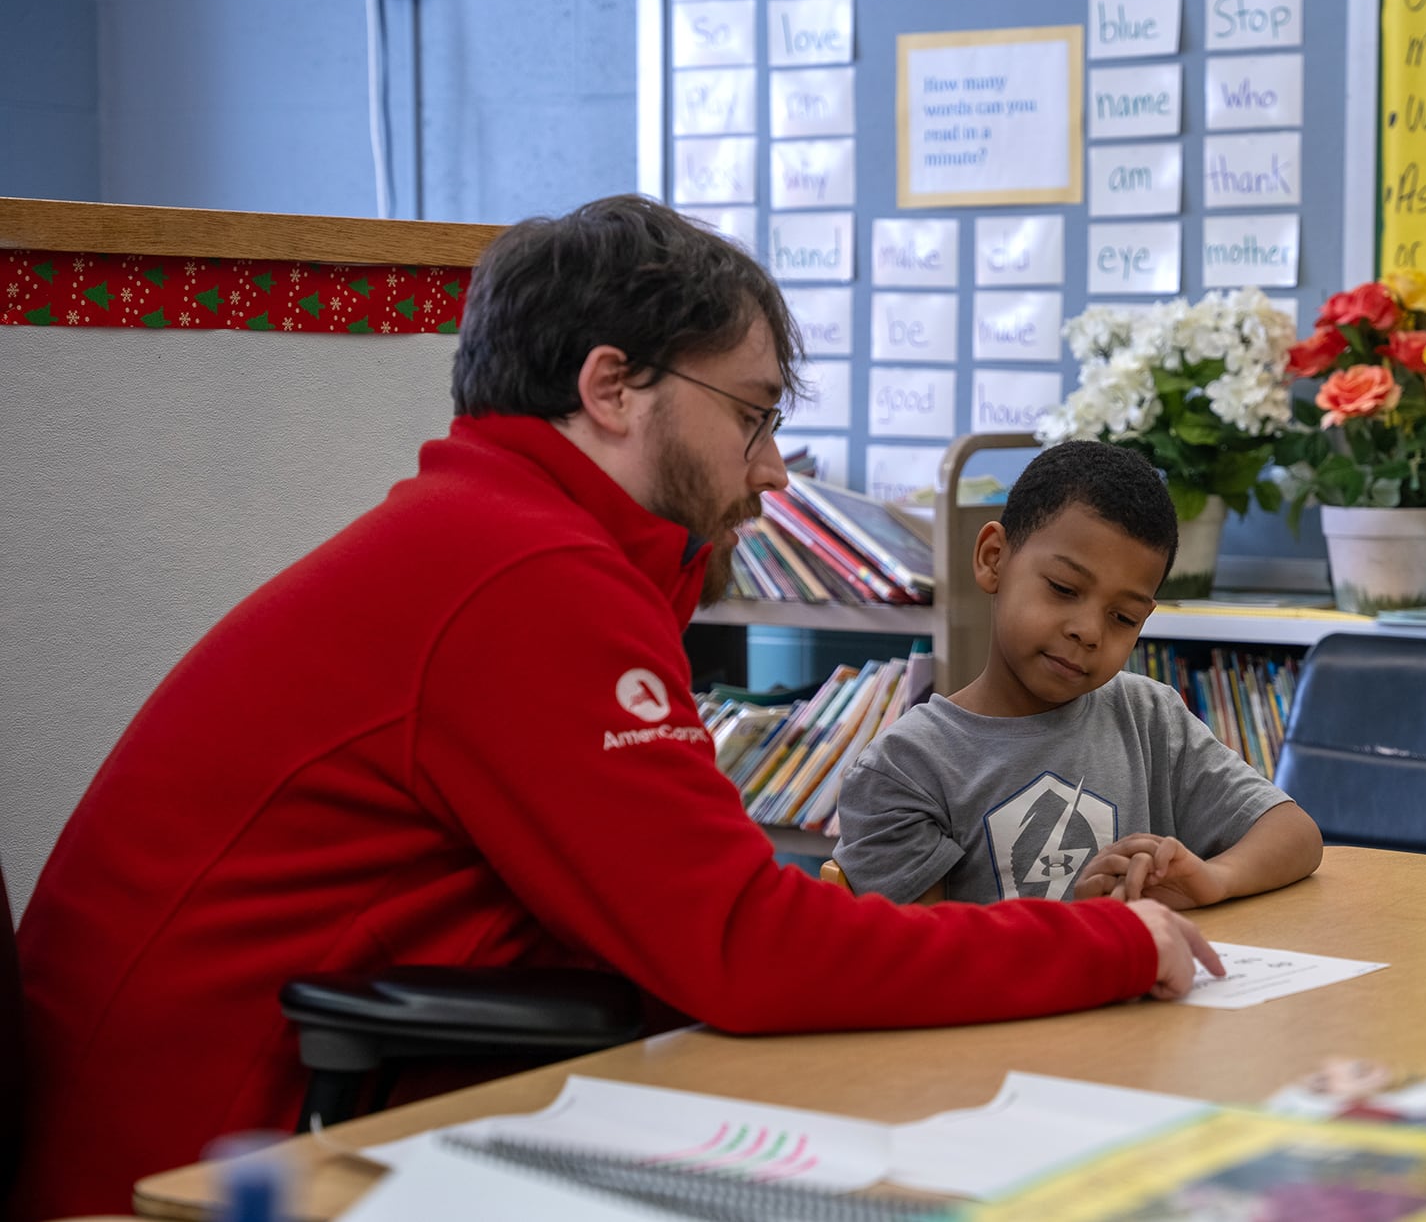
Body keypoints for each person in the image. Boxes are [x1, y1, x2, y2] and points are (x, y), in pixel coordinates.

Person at [10, 197, 1222, 1222]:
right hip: (204, 1167)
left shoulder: (500, 540)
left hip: (283, 1112)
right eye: (751, 416)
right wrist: (1110, 941)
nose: (768, 469)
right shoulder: (526, 580)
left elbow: (694, 909)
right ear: (611, 387)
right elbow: (741, 953)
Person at [832, 442, 1324, 907]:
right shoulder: (905, 768)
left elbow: (1294, 833)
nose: (1089, 632)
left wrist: (1212, 879)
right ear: (993, 559)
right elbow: (920, 964)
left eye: (1123, 618)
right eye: (1064, 588)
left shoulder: (1147, 717)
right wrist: (1081, 929)